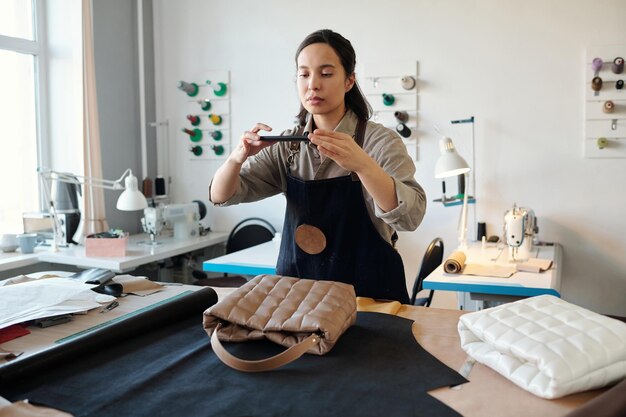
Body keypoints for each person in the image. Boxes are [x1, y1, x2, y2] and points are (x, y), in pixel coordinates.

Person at [209, 29, 426, 303]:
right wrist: (237, 157)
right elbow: (221, 195)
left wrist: (363, 166)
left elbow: (411, 217)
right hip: (298, 300)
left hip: (369, 303)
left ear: (349, 81)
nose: (313, 85)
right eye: (304, 74)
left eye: (325, 73)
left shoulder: (379, 142)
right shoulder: (288, 145)